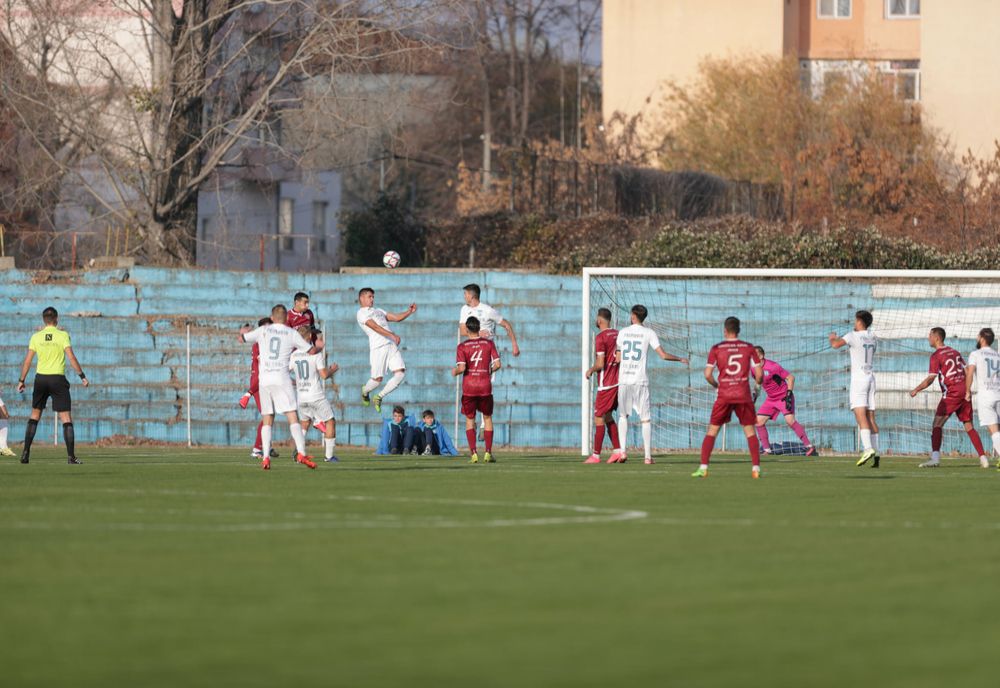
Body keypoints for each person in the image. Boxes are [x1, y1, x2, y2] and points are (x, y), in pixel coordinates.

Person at [239, 304, 317, 470]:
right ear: (287, 318)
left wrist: (243, 332)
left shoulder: (263, 330)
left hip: (264, 379)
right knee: (291, 415)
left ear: (272, 318)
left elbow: (243, 338)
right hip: (281, 378)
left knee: (267, 418)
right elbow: (310, 351)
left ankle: (265, 457)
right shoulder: (291, 332)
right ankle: (301, 452)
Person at [614, 304, 688, 465]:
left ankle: (623, 452)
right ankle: (647, 457)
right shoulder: (649, 333)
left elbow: (618, 358)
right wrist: (679, 359)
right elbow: (662, 355)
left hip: (624, 381)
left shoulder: (623, 332)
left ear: (633, 316)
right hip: (640, 381)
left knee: (622, 416)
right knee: (645, 419)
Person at [16, 306, 89, 464]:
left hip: (40, 379)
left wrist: (21, 380)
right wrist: (82, 376)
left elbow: (28, 360)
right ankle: (71, 457)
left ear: (44, 320)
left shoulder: (36, 337)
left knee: (34, 415)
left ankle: (25, 453)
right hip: (57, 379)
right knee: (66, 417)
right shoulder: (63, 335)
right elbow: (71, 357)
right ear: (56, 319)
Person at [693, 317, 764, 479]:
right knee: (750, 431)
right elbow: (759, 375)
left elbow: (707, 375)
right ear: (739, 330)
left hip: (724, 394)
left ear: (725, 330)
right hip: (743, 394)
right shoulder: (749, 348)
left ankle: (703, 468)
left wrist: (717, 386)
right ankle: (756, 469)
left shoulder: (717, 348)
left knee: (713, 430)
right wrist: (757, 387)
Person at [910, 327, 988, 468]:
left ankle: (935, 458)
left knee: (937, 424)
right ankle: (983, 458)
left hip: (952, 393)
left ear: (937, 338)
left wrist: (916, 389)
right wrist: (967, 389)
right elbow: (966, 370)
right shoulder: (955, 352)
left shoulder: (936, 356)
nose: (928, 338)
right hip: (964, 390)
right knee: (969, 425)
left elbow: (930, 379)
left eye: (930, 335)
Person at [829, 310, 880, 467]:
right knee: (871, 416)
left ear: (859, 321)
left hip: (859, 380)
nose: (854, 323)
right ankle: (876, 454)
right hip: (871, 377)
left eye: (855, 320)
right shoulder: (873, 337)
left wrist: (832, 338)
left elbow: (836, 345)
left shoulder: (852, 335)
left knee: (860, 415)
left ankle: (867, 449)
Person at [357, 287, 417, 414]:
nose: (372, 299)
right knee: (377, 380)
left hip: (390, 345)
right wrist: (392, 335)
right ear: (362, 298)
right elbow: (374, 327)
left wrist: (409, 312)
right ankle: (365, 391)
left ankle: (379, 397)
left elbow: (395, 317)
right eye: (369, 296)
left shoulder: (378, 310)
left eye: (373, 296)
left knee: (400, 373)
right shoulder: (361, 313)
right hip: (378, 347)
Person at [453, 316, 501, 463]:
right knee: (487, 418)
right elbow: (498, 364)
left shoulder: (462, 346)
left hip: (469, 387)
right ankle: (488, 452)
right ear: (479, 328)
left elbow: (461, 368)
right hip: (485, 386)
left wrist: (454, 372)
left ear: (467, 329)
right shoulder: (489, 344)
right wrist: (488, 372)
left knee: (469, 419)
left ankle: (473, 453)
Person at [753, 346, 817, 457]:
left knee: (790, 421)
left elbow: (791, 378)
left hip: (783, 397)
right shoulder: (753, 369)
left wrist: (788, 395)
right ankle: (767, 450)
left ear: (761, 356)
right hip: (771, 399)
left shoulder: (773, 366)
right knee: (758, 422)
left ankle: (810, 447)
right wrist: (755, 395)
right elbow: (758, 382)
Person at [290, 325, 340, 463]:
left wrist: (295, 382)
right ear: (309, 337)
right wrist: (332, 370)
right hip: (315, 396)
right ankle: (329, 456)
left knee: (304, 423)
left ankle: (299, 452)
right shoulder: (315, 354)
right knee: (330, 421)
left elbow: (284, 373)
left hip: (301, 397)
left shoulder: (293, 355)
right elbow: (324, 375)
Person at [583, 307, 621, 464]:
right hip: (619, 382)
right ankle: (618, 451)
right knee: (608, 417)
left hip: (607, 384)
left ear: (599, 320)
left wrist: (591, 370)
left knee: (598, 417)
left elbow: (600, 363)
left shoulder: (600, 338)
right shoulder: (619, 334)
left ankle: (596, 455)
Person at [239, 317, 279, 460]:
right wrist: (249, 393)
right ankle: (257, 449)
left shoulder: (267, 344)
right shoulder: (259, 345)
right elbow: (259, 372)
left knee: (270, 415)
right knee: (267, 415)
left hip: (265, 383)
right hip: (258, 384)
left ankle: (266, 445)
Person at [965, 327, 1000, 470]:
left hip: (986, 396)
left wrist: (967, 390)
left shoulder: (976, 354)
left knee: (994, 431)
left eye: (978, 336)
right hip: (998, 393)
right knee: (996, 430)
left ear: (982, 339)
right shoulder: (997, 355)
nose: (976, 338)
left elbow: (970, 373)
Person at [459, 283, 520, 356]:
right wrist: (478, 334)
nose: (464, 296)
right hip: (471, 351)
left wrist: (514, 344)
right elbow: (462, 331)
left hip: (486, 350)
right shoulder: (464, 309)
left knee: (495, 366)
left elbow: (506, 324)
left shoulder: (487, 310)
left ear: (471, 296)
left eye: (465, 294)